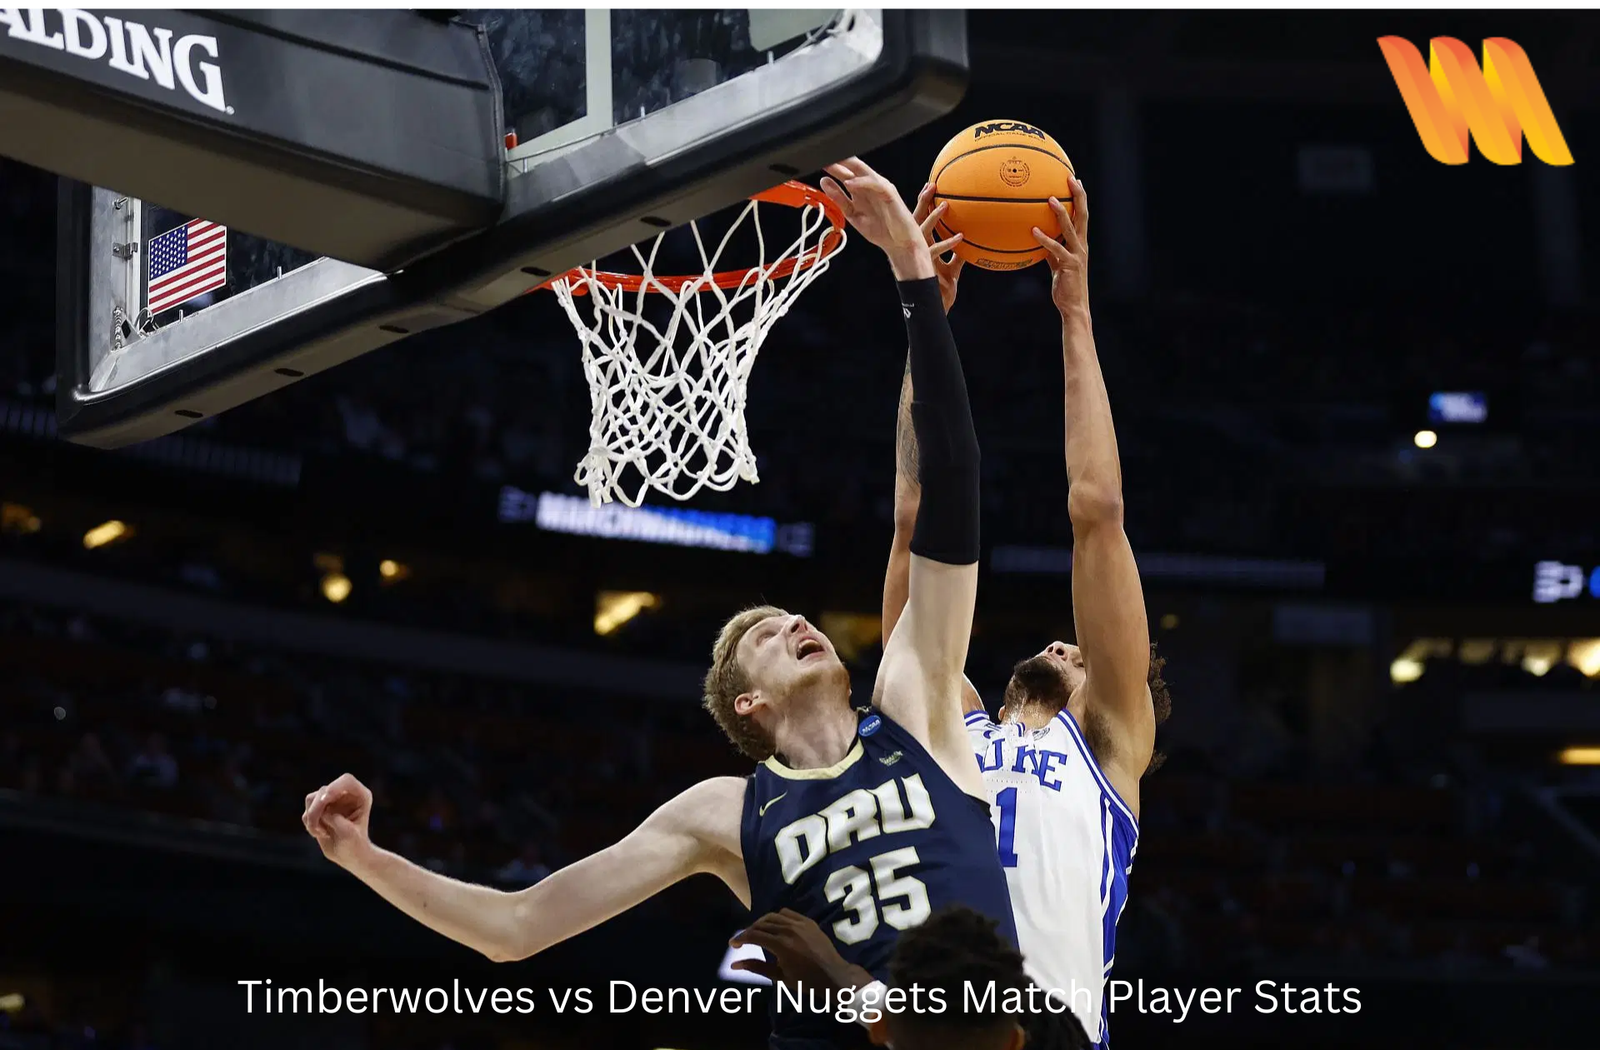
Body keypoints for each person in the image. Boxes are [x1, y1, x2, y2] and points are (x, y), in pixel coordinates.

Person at [300, 157, 1016, 1050]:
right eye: (761, 633)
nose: (794, 622)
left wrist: (913, 276)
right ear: (745, 706)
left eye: (792, 619)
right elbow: (515, 928)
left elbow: (946, 498)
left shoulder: (917, 706)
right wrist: (362, 857)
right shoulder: (724, 811)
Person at [879, 178, 1172, 1047]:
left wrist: (1074, 315)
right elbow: (910, 516)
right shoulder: (948, 722)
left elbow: (1097, 512)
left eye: (1082, 653)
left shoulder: (1110, 744)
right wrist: (924, 323)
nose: (1064, 641)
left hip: (1049, 1030)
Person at [734, 907, 1090, 1050]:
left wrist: (844, 980)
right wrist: (847, 984)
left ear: (882, 1030)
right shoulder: (1054, 1031)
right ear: (1014, 1042)